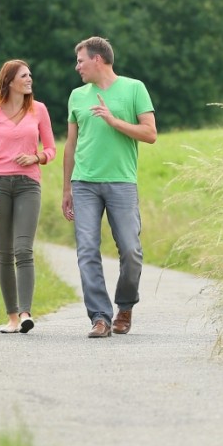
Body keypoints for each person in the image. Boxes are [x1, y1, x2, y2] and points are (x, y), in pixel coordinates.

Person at [61, 37, 156, 338]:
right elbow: (71, 144)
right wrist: (67, 188)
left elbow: (150, 134)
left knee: (131, 250)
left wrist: (115, 122)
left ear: (97, 59)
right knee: (87, 250)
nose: (77, 67)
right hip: (84, 183)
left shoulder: (134, 88)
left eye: (80, 61)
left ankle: (124, 307)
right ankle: (100, 317)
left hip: (121, 182)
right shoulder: (77, 96)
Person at [0, 60, 56, 333]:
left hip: (28, 185)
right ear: (10, 81)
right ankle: (11, 316)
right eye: (24, 75)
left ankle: (25, 313)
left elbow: (52, 149)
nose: (30, 79)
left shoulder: (39, 110)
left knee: (23, 249)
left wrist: (36, 156)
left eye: (30, 74)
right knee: (5, 252)